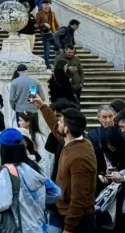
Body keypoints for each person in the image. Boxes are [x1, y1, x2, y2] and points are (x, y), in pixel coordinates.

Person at [37, 98, 98, 233]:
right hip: (65, 213)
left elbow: (79, 197)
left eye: (61, 121)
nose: (57, 122)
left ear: (66, 129)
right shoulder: (72, 142)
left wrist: (69, 228)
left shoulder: (80, 157)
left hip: (78, 221)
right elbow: (54, 126)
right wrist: (42, 106)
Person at [0, 128, 62, 233]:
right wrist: (38, 199)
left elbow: (2, 203)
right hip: (41, 227)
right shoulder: (34, 167)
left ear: (4, 148)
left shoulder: (8, 171)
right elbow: (56, 192)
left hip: (22, 228)